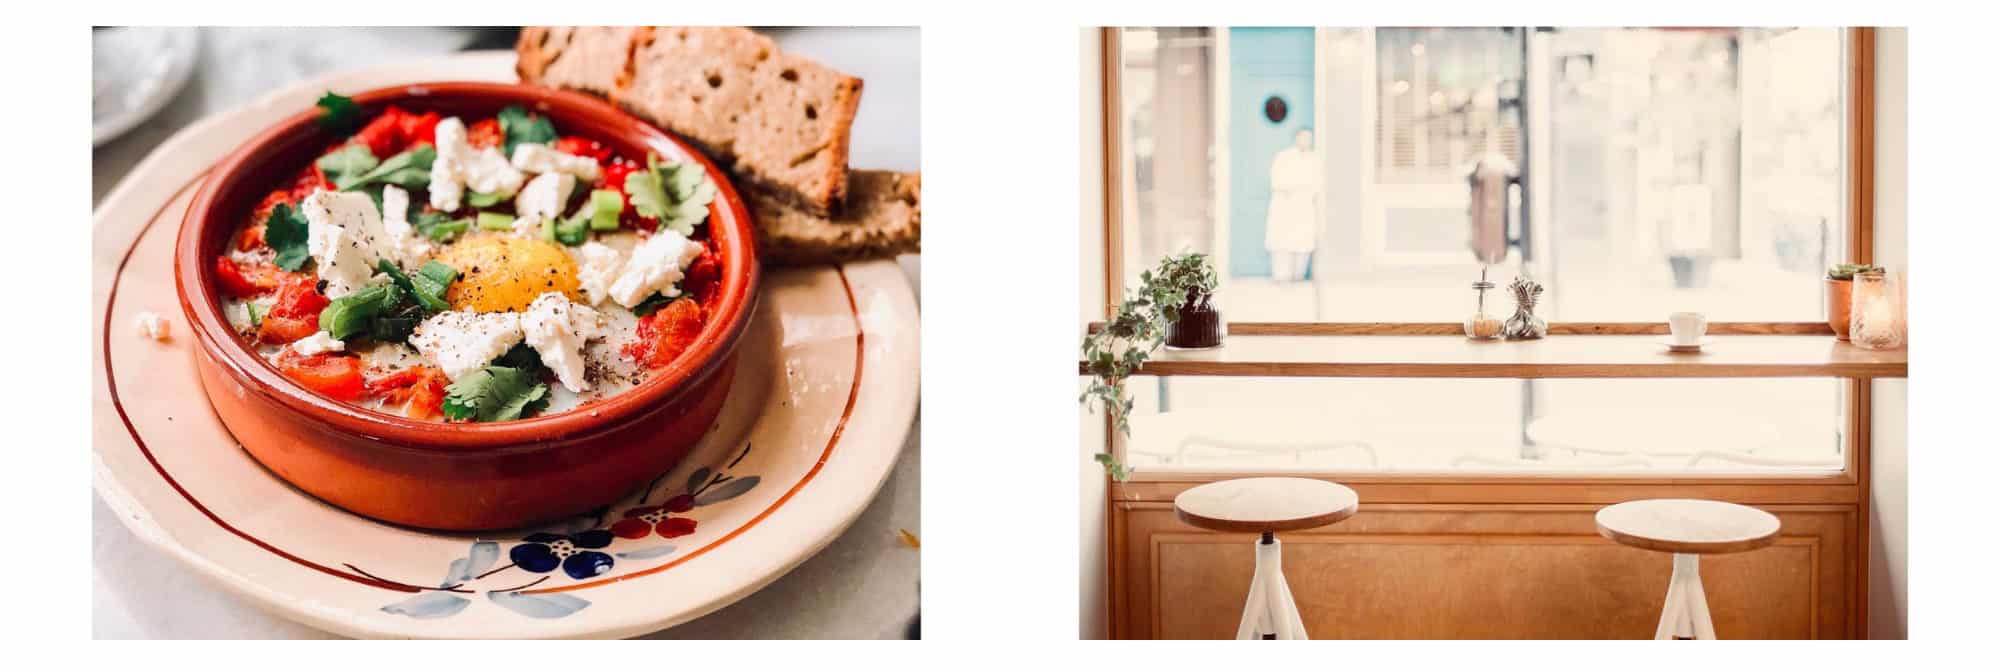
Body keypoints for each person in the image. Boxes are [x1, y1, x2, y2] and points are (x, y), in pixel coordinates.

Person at [1265, 128, 1321, 282]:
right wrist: (1297, 186)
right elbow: (1278, 182)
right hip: (1284, 206)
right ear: (1296, 138)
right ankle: (1281, 276)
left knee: (1302, 243)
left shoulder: (1314, 160)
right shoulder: (1283, 158)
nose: (1305, 141)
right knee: (1282, 244)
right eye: (1302, 137)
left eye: (1308, 138)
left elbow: (1316, 185)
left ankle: (1298, 276)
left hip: (1304, 207)